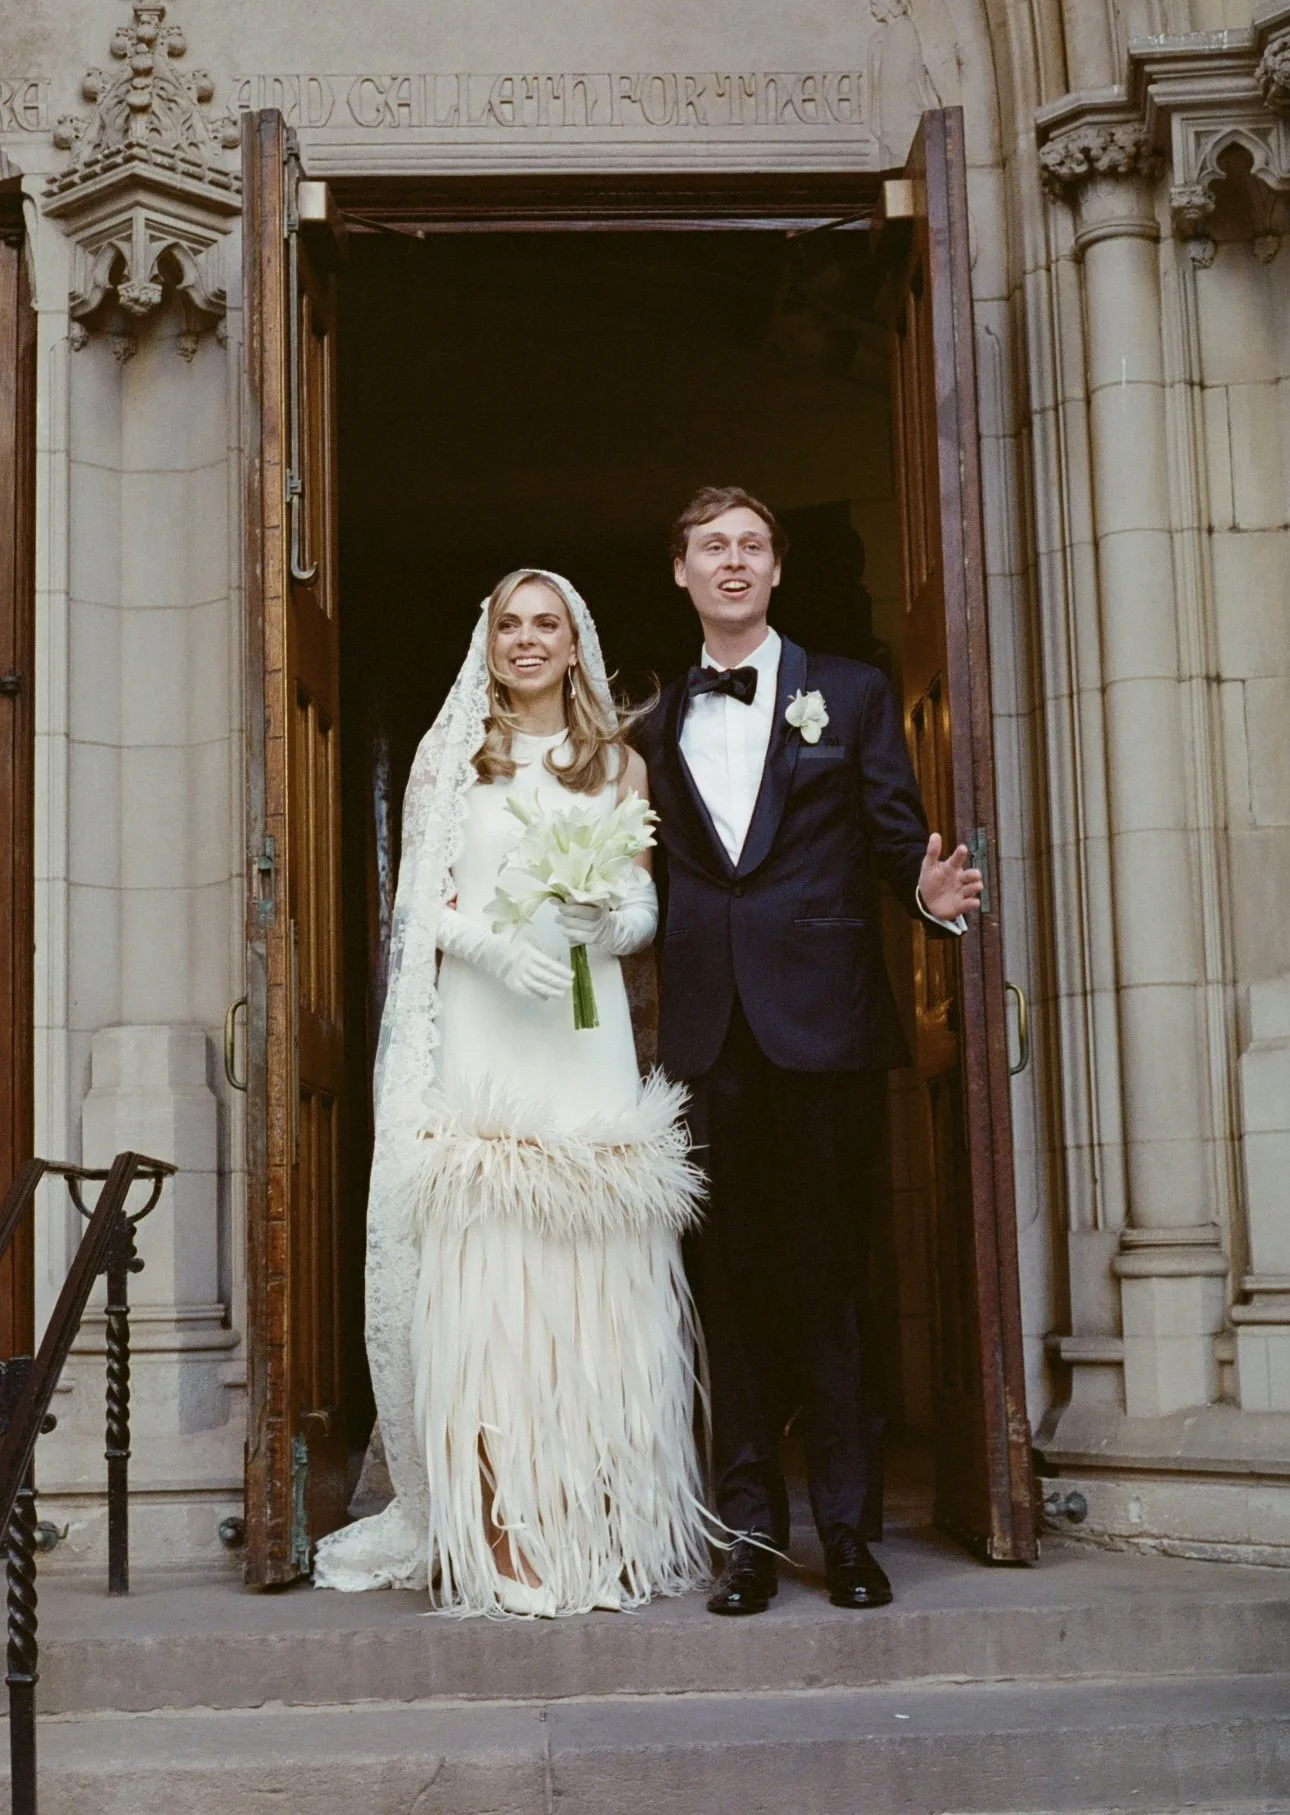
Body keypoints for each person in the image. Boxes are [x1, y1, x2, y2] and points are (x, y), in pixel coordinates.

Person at [314, 569, 711, 1617]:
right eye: (509, 626)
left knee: (588, 1295)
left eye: (546, 626)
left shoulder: (615, 764)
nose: (527, 642)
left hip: (583, 1050)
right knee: (491, 1297)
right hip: (490, 1045)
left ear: (576, 645)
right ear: (486, 642)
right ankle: (501, 1535)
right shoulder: (455, 760)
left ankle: (603, 1526)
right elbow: (418, 914)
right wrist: (491, 946)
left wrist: (603, 928)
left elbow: (640, 909)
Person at [635, 486, 982, 1617]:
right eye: (711, 549)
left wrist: (930, 902)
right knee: (728, 1294)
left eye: (751, 547)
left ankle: (849, 1531)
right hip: (708, 1035)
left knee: (832, 1288)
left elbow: (897, 839)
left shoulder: (856, 692)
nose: (732, 563)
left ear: (776, 570)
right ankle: (748, 1539)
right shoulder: (649, 721)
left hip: (825, 1028)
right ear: (681, 572)